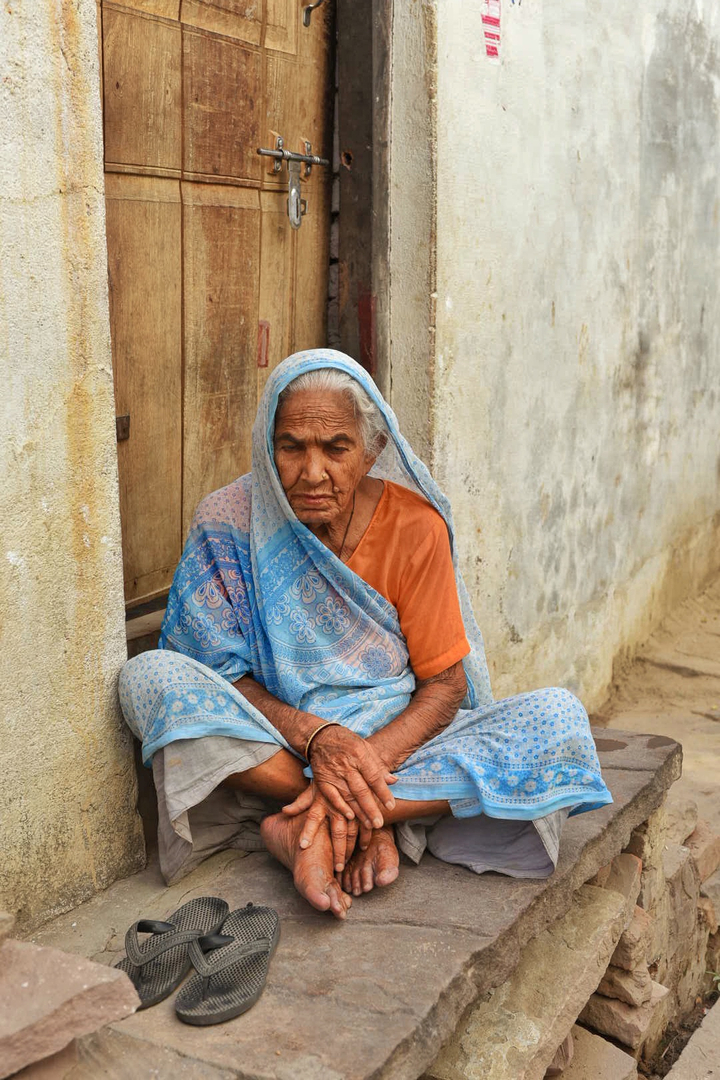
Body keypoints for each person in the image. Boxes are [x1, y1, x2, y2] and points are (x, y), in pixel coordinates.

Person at [120, 350, 611, 920]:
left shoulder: (414, 526)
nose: (313, 472)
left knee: (557, 718)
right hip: (280, 734)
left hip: (398, 744)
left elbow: (446, 687)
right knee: (147, 678)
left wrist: (358, 765)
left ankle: (321, 820)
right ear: (266, 446)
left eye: (336, 448)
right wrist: (318, 739)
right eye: (291, 446)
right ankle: (369, 816)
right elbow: (217, 672)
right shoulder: (226, 521)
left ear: (372, 450)